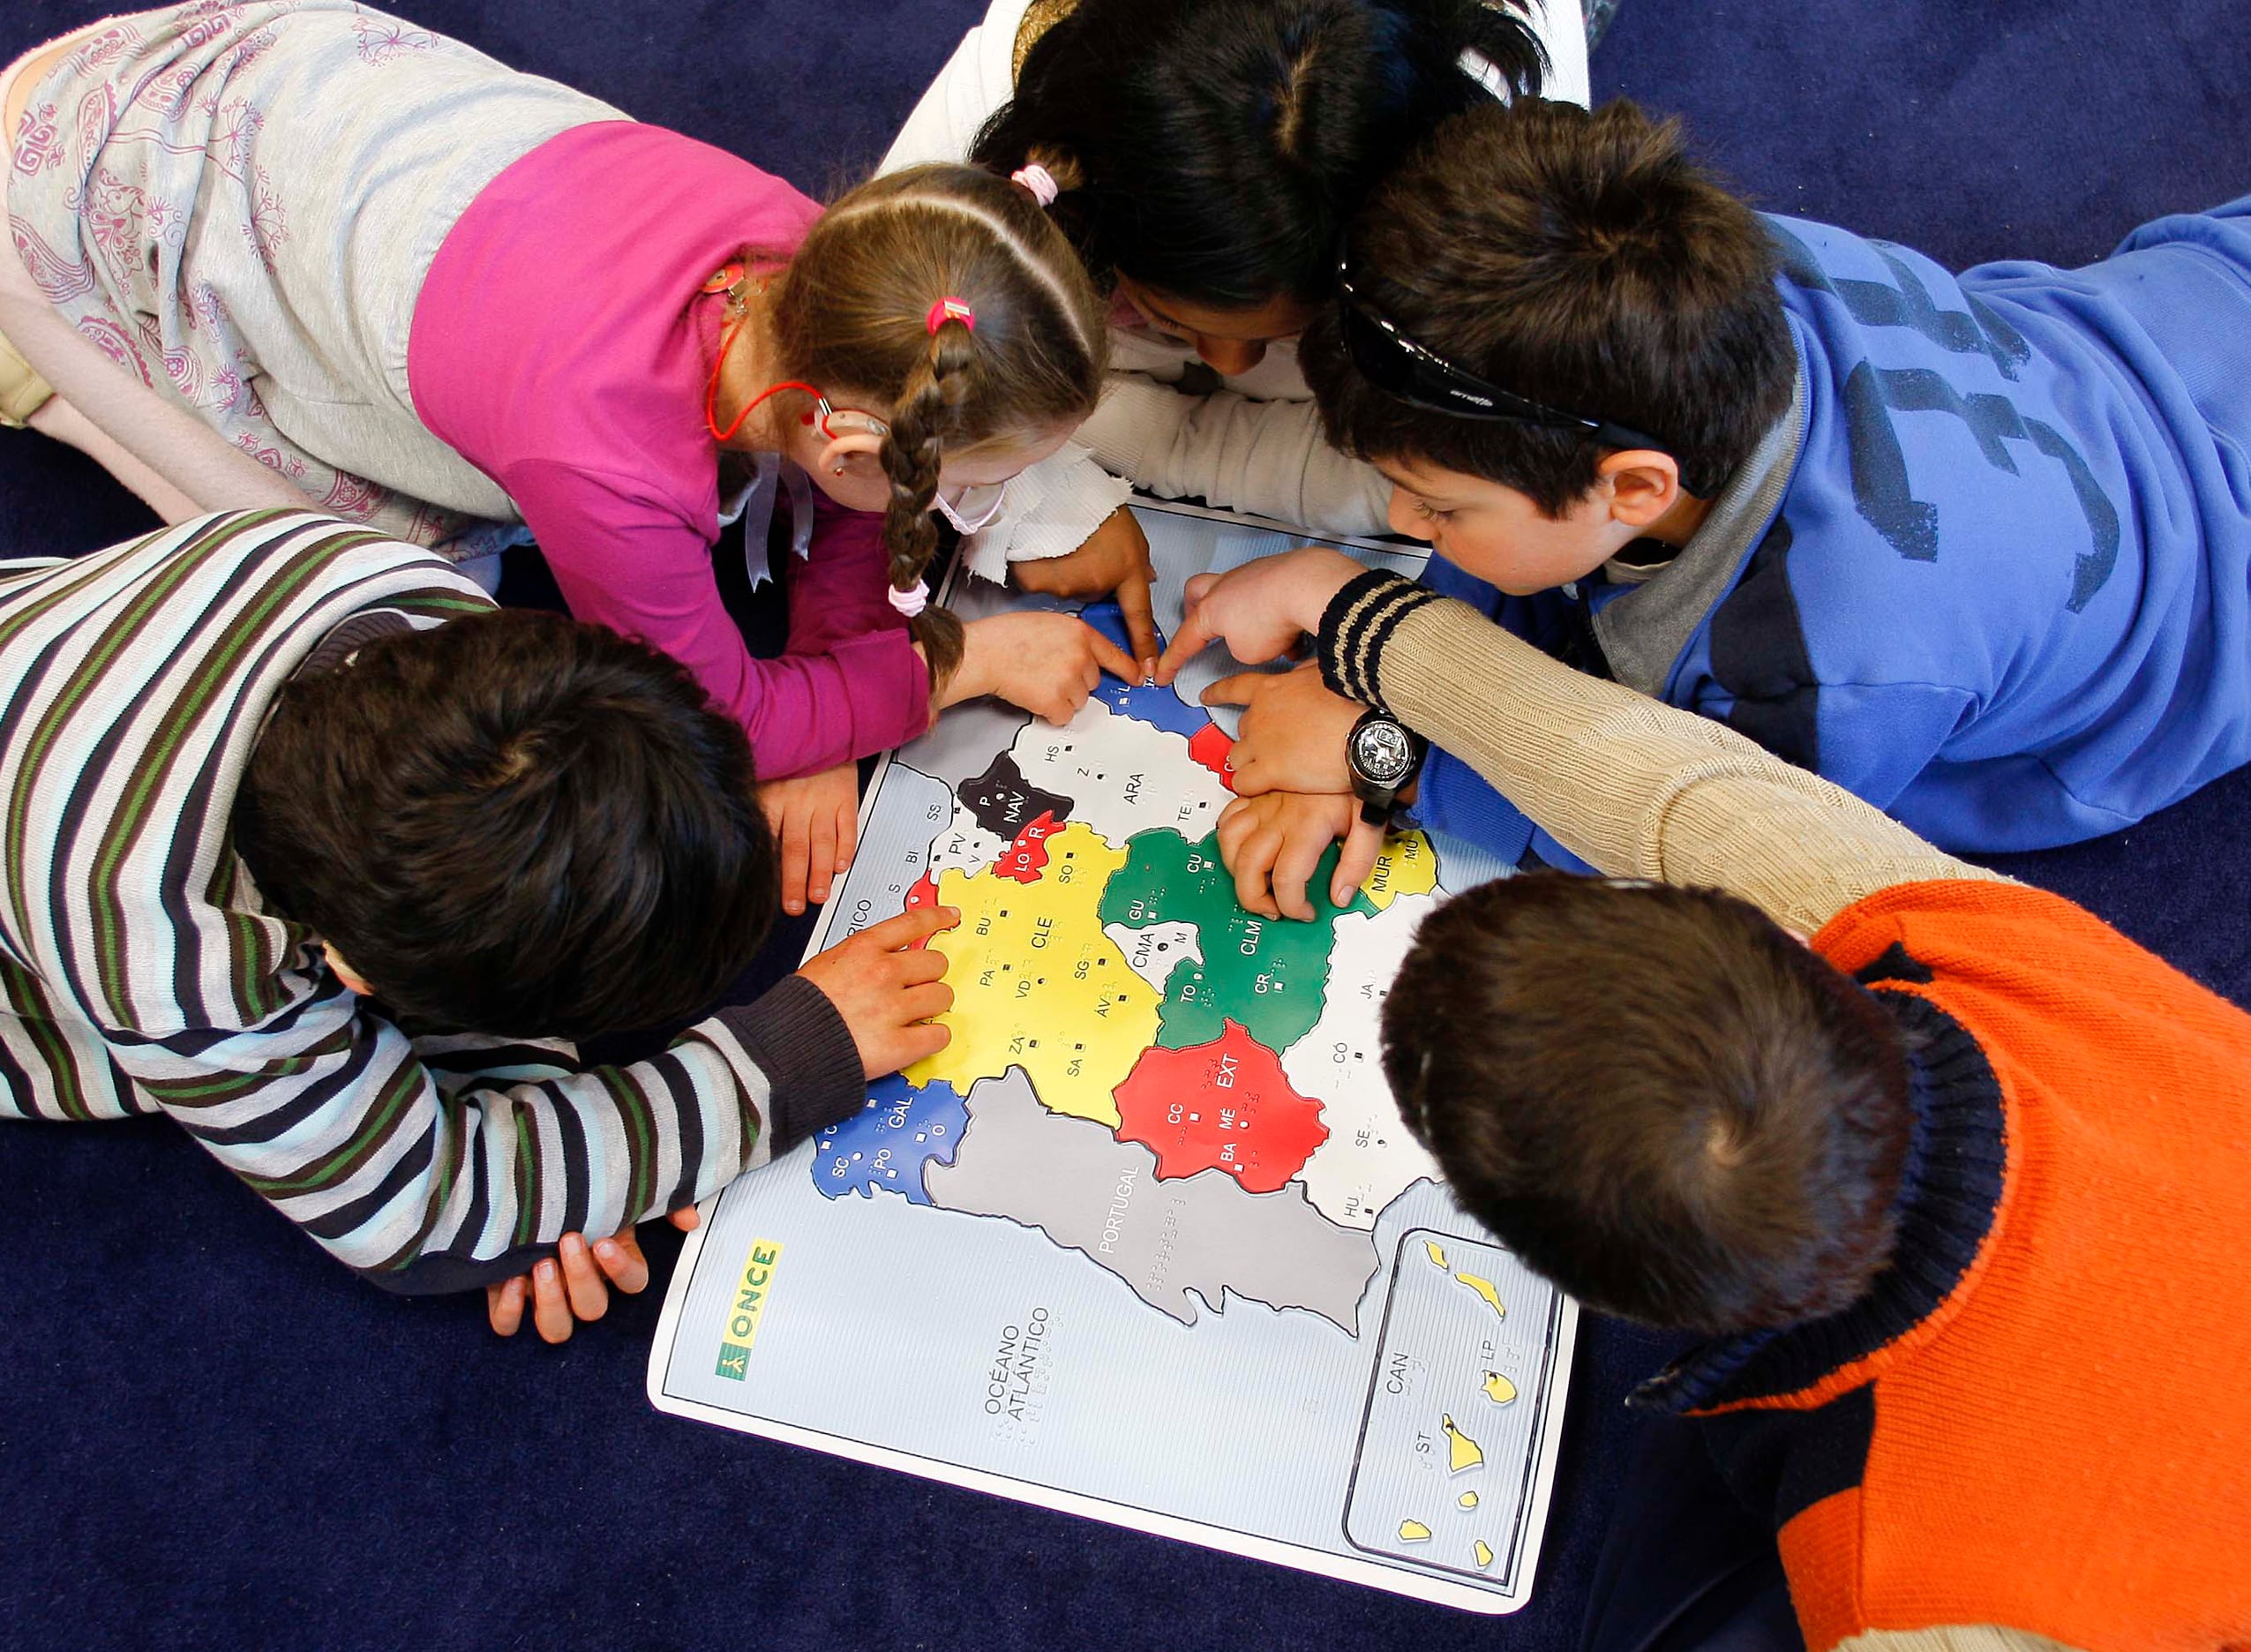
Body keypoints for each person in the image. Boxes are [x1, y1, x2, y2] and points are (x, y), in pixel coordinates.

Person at [1169, 544, 2251, 1652]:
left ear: (1619, 1302)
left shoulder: (1890, 1589)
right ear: (1784, 943)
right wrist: (1352, 633)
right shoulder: (1976, 941)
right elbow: (1654, 779)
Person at [0, 3, 1137, 920]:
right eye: (969, 488)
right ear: (844, 438)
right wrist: (946, 664)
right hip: (106, 193)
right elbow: (718, 720)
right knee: (408, 591)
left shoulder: (842, 276)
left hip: (299, 93)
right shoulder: (612, 471)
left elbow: (850, 507)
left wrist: (835, 676)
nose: (972, 513)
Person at [1184, 97, 2251, 877]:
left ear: (1636, 488)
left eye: (1438, 508)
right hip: (2189, 308)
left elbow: (1666, 831)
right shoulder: (1728, 274)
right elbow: (1531, 540)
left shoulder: (1825, 671)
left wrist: (1392, 753)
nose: (1400, 525)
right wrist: (1395, 669)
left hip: (2205, 627)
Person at [0, 507, 959, 1331]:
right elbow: (418, 1213)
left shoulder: (410, 605)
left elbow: (512, 852)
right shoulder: (168, 956)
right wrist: (780, 1063)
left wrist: (542, 1149)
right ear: (354, 973)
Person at [881, 0, 1587, 670]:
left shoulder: (1501, 192)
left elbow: (1438, 471)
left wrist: (1114, 438)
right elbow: (898, 386)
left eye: (1286, 331)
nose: (1226, 364)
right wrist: (1047, 505)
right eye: (1175, 321)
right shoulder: (990, 165)